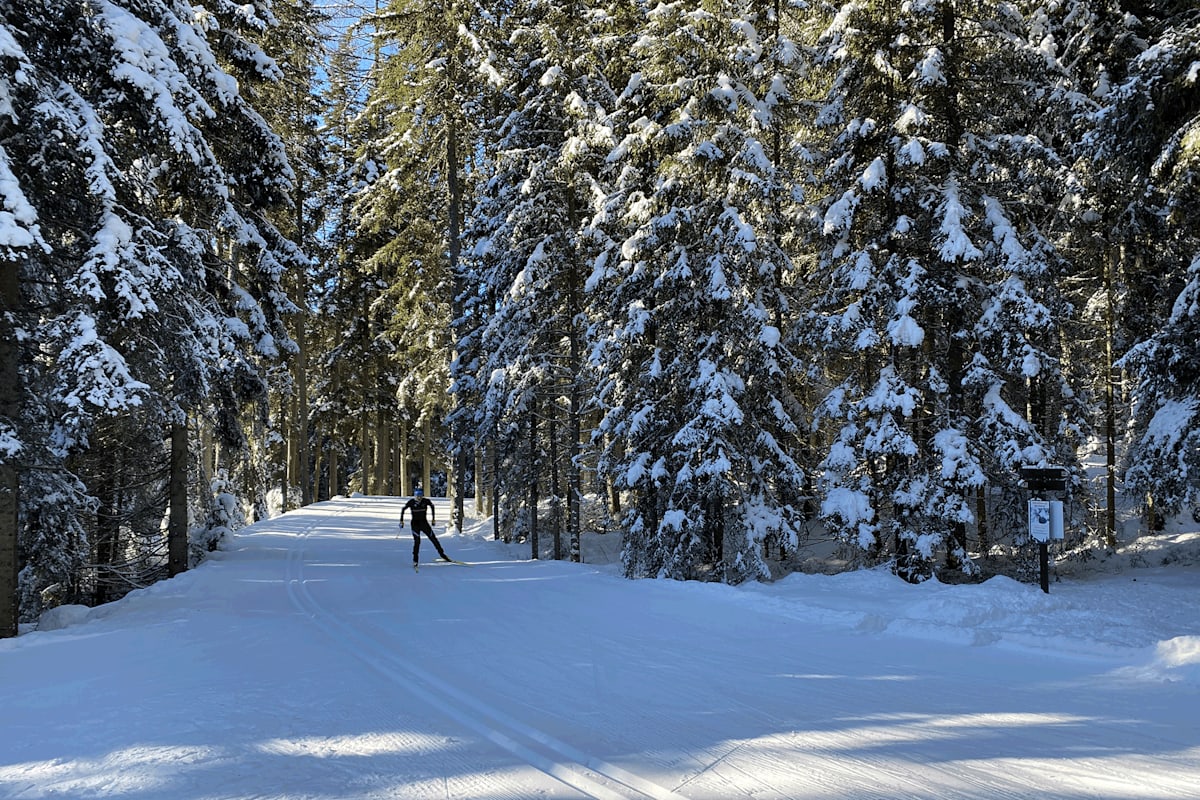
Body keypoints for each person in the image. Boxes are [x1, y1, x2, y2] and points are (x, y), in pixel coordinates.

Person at [401, 488, 450, 567]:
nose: (419, 498)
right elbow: (403, 509)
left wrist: (433, 519)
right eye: (417, 496)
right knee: (417, 542)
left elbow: (432, 506)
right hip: (415, 524)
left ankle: (442, 555)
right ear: (415, 496)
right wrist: (401, 521)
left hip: (424, 523)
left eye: (420, 496)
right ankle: (415, 560)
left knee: (433, 539)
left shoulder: (425, 501)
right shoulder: (411, 502)